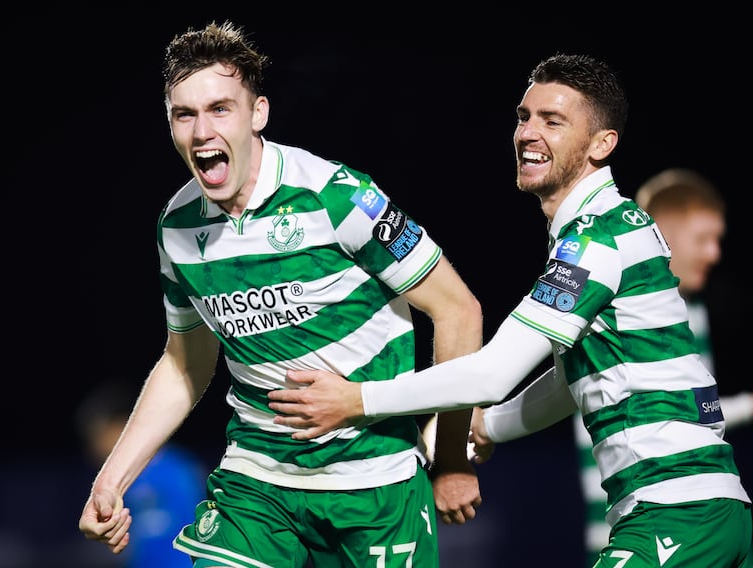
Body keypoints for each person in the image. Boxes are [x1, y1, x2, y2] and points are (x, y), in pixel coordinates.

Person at [268, 53, 753, 567]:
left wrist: (356, 399)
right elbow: (574, 380)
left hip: (676, 516)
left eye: (553, 121)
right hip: (708, 513)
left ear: (601, 144)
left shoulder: (596, 242)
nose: (528, 133)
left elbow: (493, 372)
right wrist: (489, 427)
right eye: (525, 117)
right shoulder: (615, 226)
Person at [77, 20, 484, 568]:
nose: (202, 131)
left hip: (374, 480)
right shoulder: (176, 228)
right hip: (259, 481)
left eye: (221, 108)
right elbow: (185, 363)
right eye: (185, 114)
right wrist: (113, 478)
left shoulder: (340, 198)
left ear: (258, 113)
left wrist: (453, 456)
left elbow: (458, 310)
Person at [574, 168, 753, 565]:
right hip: (636, 516)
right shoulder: (609, 301)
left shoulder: (693, 312)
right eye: (703, 239)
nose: (714, 253)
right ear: (666, 237)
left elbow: (692, 411)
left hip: (676, 515)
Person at [76, 380, 208, 568]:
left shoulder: (177, 469)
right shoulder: (114, 486)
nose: (94, 447)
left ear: (121, 427)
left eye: (98, 435)